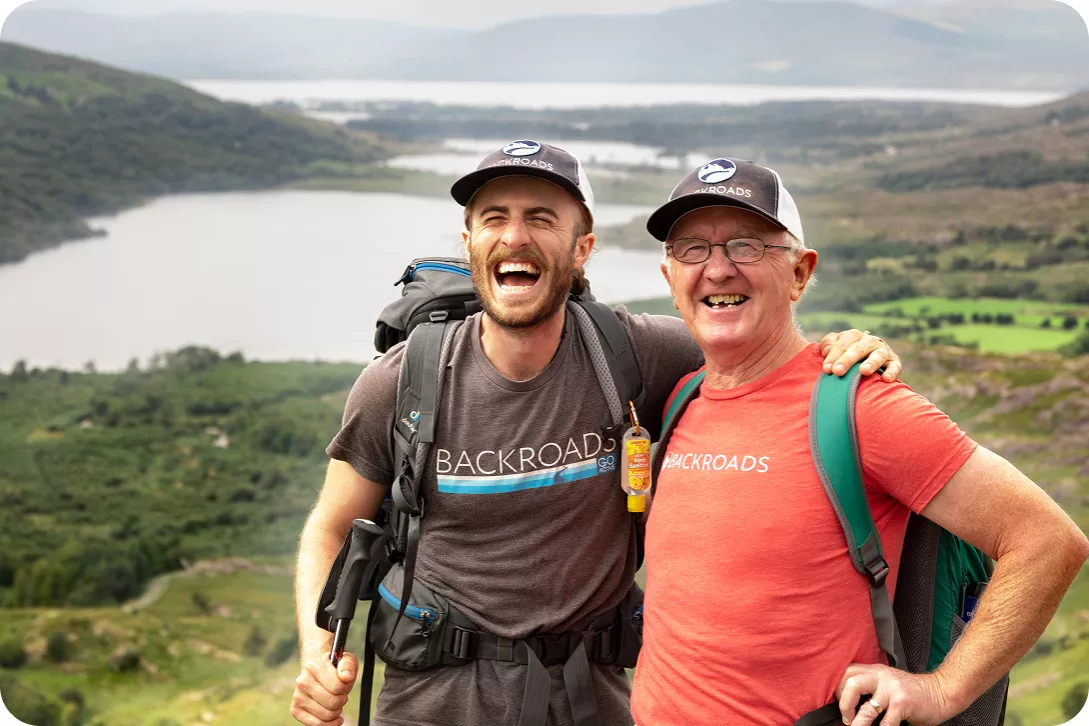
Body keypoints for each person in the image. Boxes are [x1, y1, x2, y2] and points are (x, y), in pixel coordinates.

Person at [290, 142, 898, 726]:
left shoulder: (633, 356)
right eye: (494, 217)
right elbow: (333, 525)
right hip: (431, 703)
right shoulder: (403, 384)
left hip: (591, 699)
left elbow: (758, 352)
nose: (515, 236)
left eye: (541, 219)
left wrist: (839, 355)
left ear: (582, 248)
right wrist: (318, 654)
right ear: (469, 241)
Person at [631, 156, 1089, 726]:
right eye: (692, 249)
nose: (717, 270)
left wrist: (943, 691)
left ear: (800, 273)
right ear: (669, 277)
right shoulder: (680, 400)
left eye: (747, 246)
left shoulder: (863, 408)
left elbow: (1048, 540)